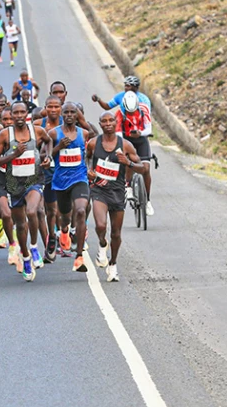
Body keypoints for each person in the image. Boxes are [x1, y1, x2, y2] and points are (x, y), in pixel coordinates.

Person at [0, 103, 53, 281]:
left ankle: (34, 246)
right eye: (15, 112)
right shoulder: (5, 135)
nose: (19, 115)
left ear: (27, 114)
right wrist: (13, 155)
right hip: (13, 183)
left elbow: (48, 141)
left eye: (22, 112)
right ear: (11, 115)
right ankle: (25, 257)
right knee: (20, 224)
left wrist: (47, 156)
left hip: (33, 179)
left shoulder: (38, 131)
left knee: (33, 211)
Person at [87, 111, 147, 282]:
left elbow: (143, 168)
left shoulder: (125, 145)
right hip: (99, 190)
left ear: (116, 123)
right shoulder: (93, 143)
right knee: (100, 225)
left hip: (118, 191)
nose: (108, 124)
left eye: (111, 120)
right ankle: (102, 244)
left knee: (116, 233)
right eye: (104, 121)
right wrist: (88, 171)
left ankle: (112, 265)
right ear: (100, 124)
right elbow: (87, 160)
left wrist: (127, 163)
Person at [50, 102, 95, 270]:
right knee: (64, 215)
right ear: (61, 114)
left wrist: (90, 168)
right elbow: (45, 154)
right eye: (66, 112)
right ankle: (63, 230)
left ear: (77, 115)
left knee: (82, 210)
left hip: (80, 178)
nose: (69, 115)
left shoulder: (84, 134)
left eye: (72, 112)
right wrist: (58, 147)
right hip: (61, 181)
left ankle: (79, 257)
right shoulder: (54, 133)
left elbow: (92, 148)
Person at [116, 91, 154, 215]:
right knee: (129, 162)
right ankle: (128, 186)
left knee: (146, 169)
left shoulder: (144, 110)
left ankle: (147, 200)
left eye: (133, 111)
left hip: (141, 139)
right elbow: (117, 134)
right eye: (129, 111)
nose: (131, 113)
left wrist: (140, 133)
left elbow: (148, 128)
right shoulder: (119, 113)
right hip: (127, 140)